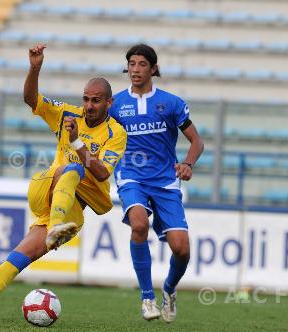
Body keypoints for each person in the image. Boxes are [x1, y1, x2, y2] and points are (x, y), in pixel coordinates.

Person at [0, 44, 127, 320]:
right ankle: (56, 229)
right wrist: (35, 68)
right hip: (46, 188)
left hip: (70, 212)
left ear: (109, 103)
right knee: (72, 169)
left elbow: (103, 173)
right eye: (86, 99)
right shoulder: (68, 114)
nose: (89, 105)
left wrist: (77, 140)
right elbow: (32, 99)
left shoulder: (115, 133)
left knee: (16, 260)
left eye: (96, 100)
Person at [109, 44, 204, 322]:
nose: (135, 69)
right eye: (131, 64)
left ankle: (169, 290)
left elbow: (197, 141)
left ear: (153, 68)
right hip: (131, 177)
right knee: (139, 224)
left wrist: (187, 164)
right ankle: (147, 297)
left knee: (182, 249)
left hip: (165, 181)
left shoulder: (171, 103)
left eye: (141, 64)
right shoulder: (115, 104)